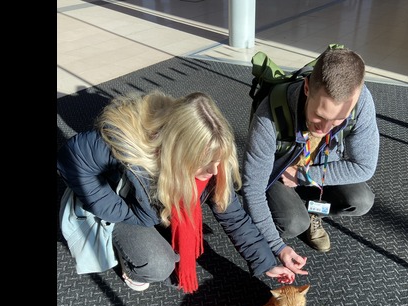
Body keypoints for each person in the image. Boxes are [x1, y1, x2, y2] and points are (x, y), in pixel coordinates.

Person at [57, 90, 296, 293]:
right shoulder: (130, 144)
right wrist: (119, 210)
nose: (214, 171)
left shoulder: (213, 160)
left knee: (167, 231)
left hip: (154, 203)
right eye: (205, 163)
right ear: (181, 151)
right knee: (158, 265)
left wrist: (266, 262)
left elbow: (233, 215)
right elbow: (72, 159)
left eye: (218, 161)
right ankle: (125, 259)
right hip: (126, 203)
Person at [241, 46, 379, 276]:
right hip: (279, 175)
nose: (324, 129)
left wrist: (304, 176)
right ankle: (297, 216)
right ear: (307, 88)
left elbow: (365, 166)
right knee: (294, 223)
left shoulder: (361, 102)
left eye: (338, 120)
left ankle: (311, 210)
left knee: (361, 201)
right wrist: (277, 247)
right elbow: (252, 189)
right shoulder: (269, 117)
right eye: (319, 116)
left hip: (310, 172)